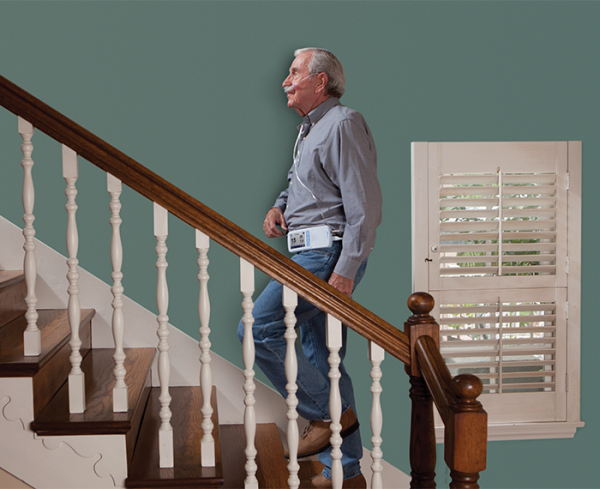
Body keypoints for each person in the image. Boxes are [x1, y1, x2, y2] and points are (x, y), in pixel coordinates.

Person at [237, 47, 382, 489]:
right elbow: (304, 185)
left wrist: (347, 266)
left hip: (327, 256)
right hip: (306, 252)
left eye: (295, 72)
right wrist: (278, 207)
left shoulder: (343, 122)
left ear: (321, 82)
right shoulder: (309, 130)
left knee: (257, 329)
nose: (286, 79)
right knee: (327, 361)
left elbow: (365, 204)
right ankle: (346, 468)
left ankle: (325, 416)